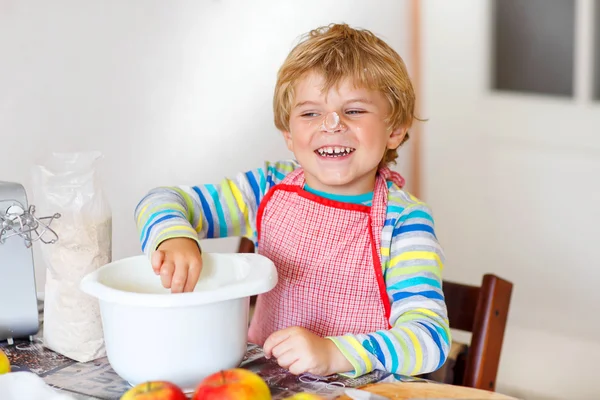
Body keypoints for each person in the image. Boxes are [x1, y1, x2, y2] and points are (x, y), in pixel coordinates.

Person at [135, 23, 450, 379]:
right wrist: (173, 236)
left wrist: (334, 353)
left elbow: (430, 339)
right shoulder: (267, 188)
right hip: (260, 383)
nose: (331, 125)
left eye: (355, 111)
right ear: (288, 133)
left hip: (359, 389)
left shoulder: (404, 221)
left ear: (394, 130)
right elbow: (160, 200)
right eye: (310, 113)